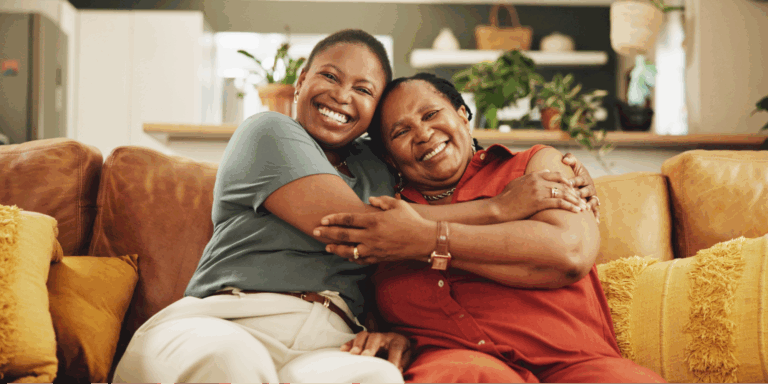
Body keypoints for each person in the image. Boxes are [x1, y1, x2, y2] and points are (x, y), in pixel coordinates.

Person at [113, 30, 600, 383]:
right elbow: (361, 230)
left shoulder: (381, 165)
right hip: (231, 318)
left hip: (333, 338)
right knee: (230, 364)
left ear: (371, 120)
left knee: (378, 381)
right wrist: (501, 207)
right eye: (329, 76)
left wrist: (564, 171)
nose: (342, 96)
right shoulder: (270, 132)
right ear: (300, 82)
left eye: (364, 90)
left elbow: (445, 154)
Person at [314, 73, 666, 383]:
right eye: (401, 131)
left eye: (432, 114)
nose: (422, 133)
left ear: (464, 117)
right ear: (390, 157)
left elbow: (569, 253)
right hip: (456, 366)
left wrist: (425, 240)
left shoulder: (535, 166)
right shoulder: (384, 217)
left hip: (574, 362)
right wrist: (392, 337)